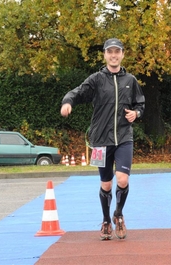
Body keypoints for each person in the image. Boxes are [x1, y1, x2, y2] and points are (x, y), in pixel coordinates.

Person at [60, 38, 145, 241]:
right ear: (105, 55)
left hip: (124, 137)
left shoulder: (130, 80)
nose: (114, 55)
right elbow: (77, 92)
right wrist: (67, 101)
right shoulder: (97, 79)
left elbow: (140, 104)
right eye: (110, 52)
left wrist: (137, 114)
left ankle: (118, 214)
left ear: (123, 54)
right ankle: (106, 220)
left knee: (123, 179)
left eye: (117, 52)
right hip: (100, 140)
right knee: (106, 184)